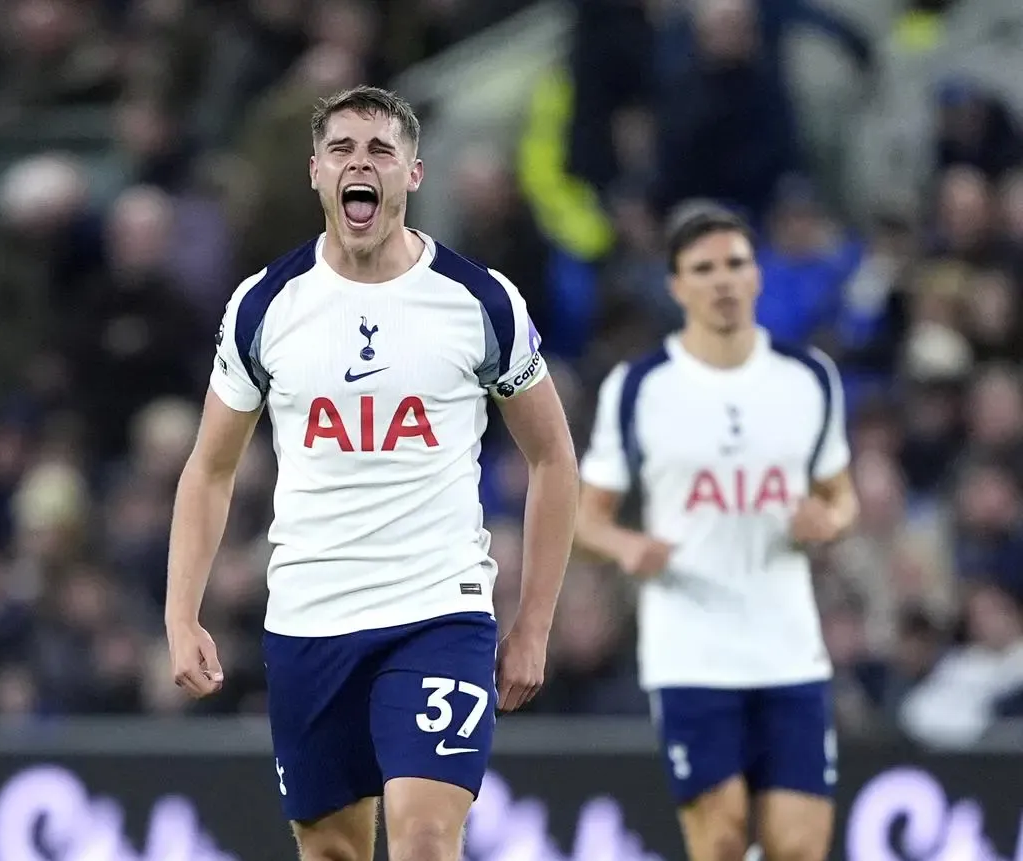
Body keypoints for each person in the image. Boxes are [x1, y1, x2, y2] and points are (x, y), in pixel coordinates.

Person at [164, 86, 579, 861]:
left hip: (438, 612)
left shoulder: (479, 300)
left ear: (413, 174)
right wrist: (181, 612)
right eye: (345, 151)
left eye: (381, 150)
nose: (363, 164)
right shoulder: (266, 305)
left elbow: (554, 458)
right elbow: (210, 468)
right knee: (333, 852)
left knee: (424, 838)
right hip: (309, 618)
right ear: (317, 173)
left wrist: (534, 623)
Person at [574, 203, 859, 861]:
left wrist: (831, 520)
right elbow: (587, 519)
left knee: (798, 844)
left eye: (736, 263)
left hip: (788, 647)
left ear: (758, 274)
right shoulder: (641, 386)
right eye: (704, 268)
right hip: (691, 648)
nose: (723, 280)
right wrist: (628, 546)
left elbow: (840, 494)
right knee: (722, 836)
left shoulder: (808, 377)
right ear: (677, 286)